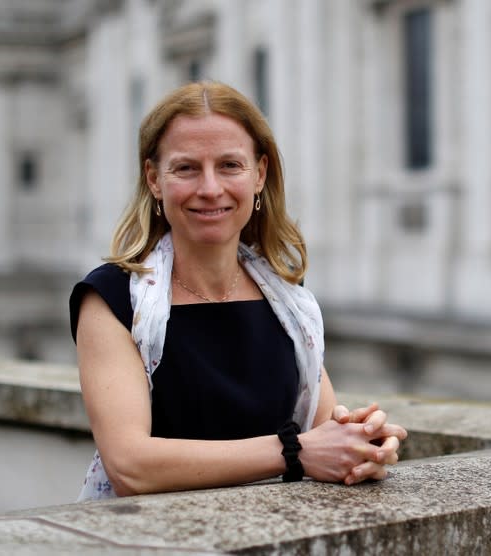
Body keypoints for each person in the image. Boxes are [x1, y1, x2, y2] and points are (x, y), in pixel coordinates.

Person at [69, 81, 407, 501]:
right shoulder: (110, 299)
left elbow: (323, 434)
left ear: (260, 174)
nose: (210, 188)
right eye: (186, 168)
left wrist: (361, 443)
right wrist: (292, 452)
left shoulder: (287, 298)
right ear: (154, 179)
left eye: (230, 165)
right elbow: (130, 466)